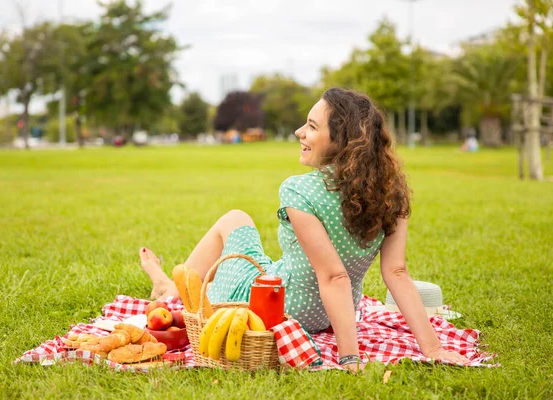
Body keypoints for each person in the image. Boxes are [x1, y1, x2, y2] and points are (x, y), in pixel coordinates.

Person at [139, 88, 471, 371]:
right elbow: (396, 272)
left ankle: (170, 290)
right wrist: (433, 349)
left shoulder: (299, 190)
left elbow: (333, 276)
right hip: (332, 315)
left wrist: (349, 358)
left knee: (234, 219)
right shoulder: (391, 191)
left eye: (311, 127)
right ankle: (170, 286)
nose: (300, 132)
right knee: (260, 252)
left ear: (340, 141)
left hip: (276, 309)